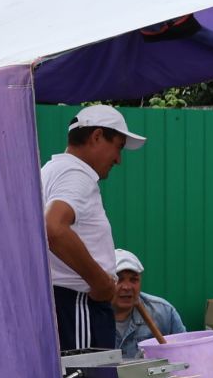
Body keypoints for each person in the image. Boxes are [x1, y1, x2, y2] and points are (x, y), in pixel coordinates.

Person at [42, 105, 146, 351]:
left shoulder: (51, 170)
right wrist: (101, 282)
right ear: (97, 136)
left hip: (65, 304)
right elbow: (53, 227)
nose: (118, 160)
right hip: (78, 304)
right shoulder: (76, 174)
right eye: (118, 147)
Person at [110, 249, 186, 359]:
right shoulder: (90, 315)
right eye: (119, 280)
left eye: (133, 280)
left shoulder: (163, 312)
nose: (127, 287)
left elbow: (185, 354)